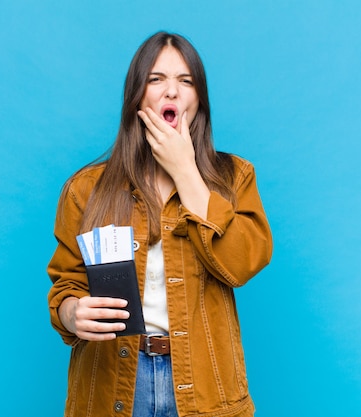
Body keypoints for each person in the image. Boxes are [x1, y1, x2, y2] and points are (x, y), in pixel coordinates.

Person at [47, 31, 273, 417]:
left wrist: (186, 170)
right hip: (112, 386)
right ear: (137, 95)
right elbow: (67, 284)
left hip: (203, 391)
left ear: (198, 100)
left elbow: (242, 264)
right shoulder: (86, 189)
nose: (171, 91)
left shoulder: (235, 177)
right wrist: (72, 312)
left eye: (185, 81)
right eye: (156, 79)